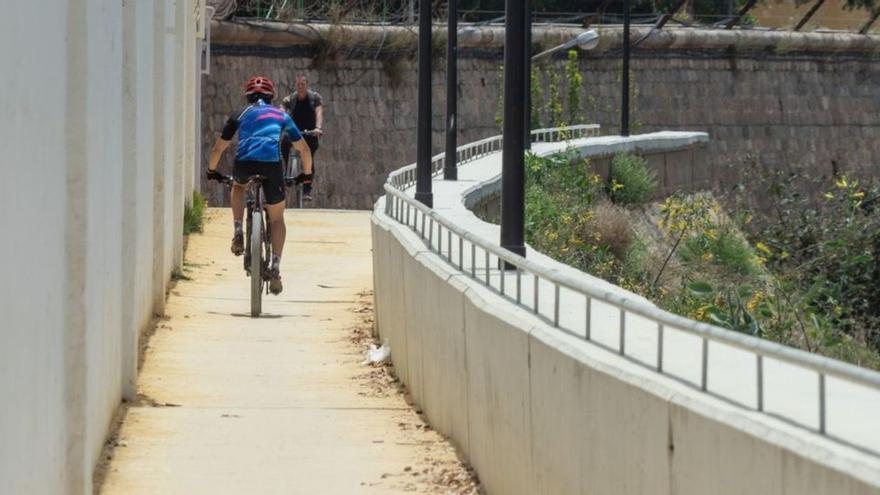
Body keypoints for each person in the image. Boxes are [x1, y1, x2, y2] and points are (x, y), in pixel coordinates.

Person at [206, 76, 313, 295]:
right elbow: (303, 150)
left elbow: (219, 148)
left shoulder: (240, 114)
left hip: (244, 164)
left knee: (238, 187)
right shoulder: (282, 115)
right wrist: (306, 175)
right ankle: (275, 266)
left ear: (248, 96)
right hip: (272, 166)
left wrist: (212, 171)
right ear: (271, 96)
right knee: (277, 218)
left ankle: (237, 231)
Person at [281, 75, 323, 201]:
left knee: (309, 158)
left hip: (310, 132)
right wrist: (281, 119)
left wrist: (318, 128)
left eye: (302, 84)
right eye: (298, 84)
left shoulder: (314, 98)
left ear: (307, 85)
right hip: (295, 131)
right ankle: (286, 168)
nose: (300, 87)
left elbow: (319, 112)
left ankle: (307, 188)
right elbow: (282, 109)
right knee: (284, 143)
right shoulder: (290, 99)